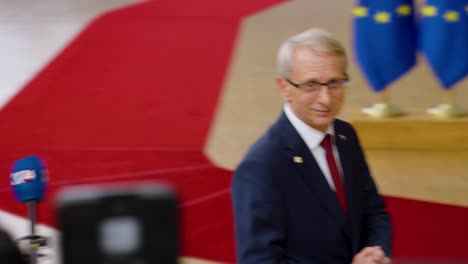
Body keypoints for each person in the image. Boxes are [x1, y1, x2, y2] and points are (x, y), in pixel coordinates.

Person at [231, 28, 392, 264]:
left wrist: (376, 252)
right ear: (284, 87)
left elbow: (373, 212)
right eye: (311, 86)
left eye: (335, 83)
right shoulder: (262, 166)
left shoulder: (346, 135)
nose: (326, 99)